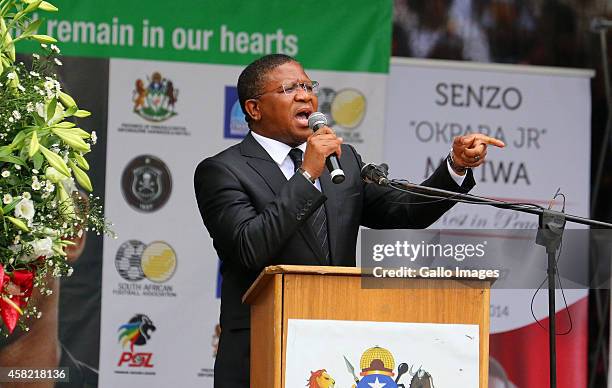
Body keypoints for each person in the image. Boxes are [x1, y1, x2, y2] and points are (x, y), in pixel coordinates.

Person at [193, 53, 504, 387]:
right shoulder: (223, 171)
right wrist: (307, 173)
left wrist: (455, 167)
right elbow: (249, 247)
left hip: (334, 347)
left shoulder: (343, 162)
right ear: (254, 109)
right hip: (259, 352)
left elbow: (404, 211)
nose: (305, 95)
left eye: (307, 85)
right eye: (288, 88)